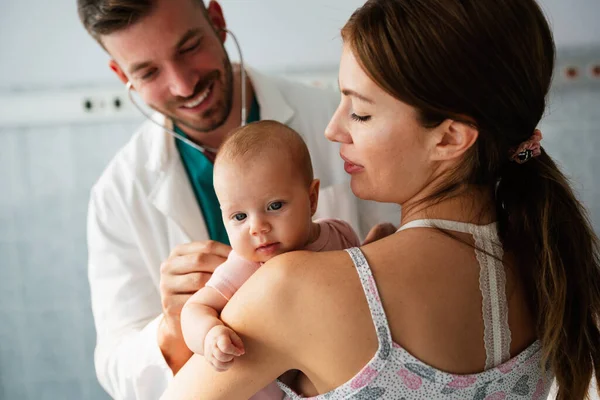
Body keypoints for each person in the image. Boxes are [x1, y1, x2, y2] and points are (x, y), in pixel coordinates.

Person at [161, 0, 600, 399]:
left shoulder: (290, 287)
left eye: (360, 111)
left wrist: (175, 339)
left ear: (450, 137)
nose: (334, 129)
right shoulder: (547, 261)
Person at [78, 0, 397, 398]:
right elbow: (116, 370)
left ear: (217, 20)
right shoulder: (117, 194)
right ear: (120, 74)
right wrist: (176, 326)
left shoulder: (335, 118)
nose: (183, 84)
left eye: (189, 47)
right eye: (148, 72)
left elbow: (401, 258)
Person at [181, 121, 361, 399]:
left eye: (274, 206)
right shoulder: (246, 265)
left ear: (312, 198)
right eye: (239, 216)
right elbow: (194, 309)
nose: (257, 228)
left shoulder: (340, 234)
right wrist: (209, 336)